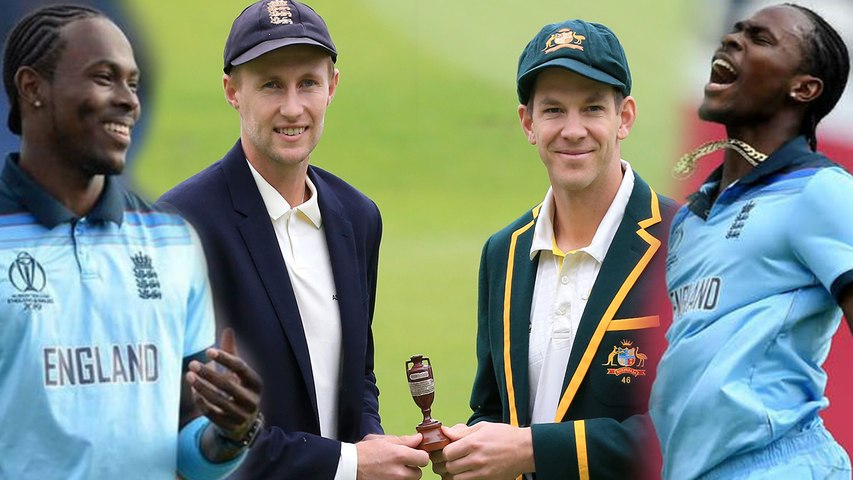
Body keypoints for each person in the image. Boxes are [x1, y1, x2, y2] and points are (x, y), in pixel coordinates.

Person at [158, 1, 429, 479]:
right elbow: (189, 427)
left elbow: (357, 375)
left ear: (333, 86)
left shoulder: (358, 217)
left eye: (308, 83)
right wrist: (350, 464)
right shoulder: (180, 226)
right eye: (270, 85)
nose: (292, 108)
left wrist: (371, 438)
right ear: (232, 91)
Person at [0, 5, 263, 480]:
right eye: (104, 78)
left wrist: (229, 433)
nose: (129, 102)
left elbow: (186, 446)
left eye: (134, 84)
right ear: (33, 88)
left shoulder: (172, 242)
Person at [431, 19, 679, 480]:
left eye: (592, 108)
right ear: (528, 123)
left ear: (624, 117)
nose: (573, 130)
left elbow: (690, 425)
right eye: (553, 110)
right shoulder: (504, 253)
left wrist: (531, 450)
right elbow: (494, 409)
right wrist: (470, 448)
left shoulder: (686, 241)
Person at [650, 3, 853, 479]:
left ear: (803, 89)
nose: (731, 40)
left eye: (760, 39)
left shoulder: (820, 191)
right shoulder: (691, 220)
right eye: (735, 31)